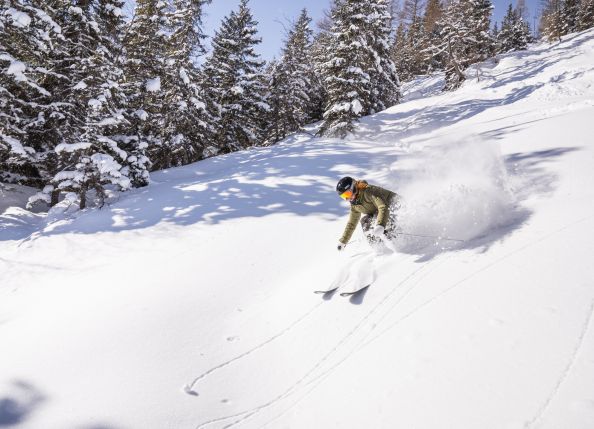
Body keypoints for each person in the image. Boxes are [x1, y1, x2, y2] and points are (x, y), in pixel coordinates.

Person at [335, 176, 400, 251]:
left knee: (377, 219)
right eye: (344, 197)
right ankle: (379, 248)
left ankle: (397, 243)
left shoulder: (369, 191)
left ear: (353, 187)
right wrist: (343, 241)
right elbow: (351, 223)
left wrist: (380, 224)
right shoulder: (355, 204)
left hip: (395, 207)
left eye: (347, 194)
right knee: (365, 221)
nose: (347, 198)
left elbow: (383, 207)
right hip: (381, 213)